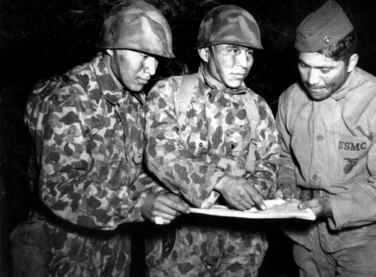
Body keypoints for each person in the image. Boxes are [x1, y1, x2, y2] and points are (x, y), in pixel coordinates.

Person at [16, 1, 189, 276]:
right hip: (62, 249)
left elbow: (130, 172)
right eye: (143, 55)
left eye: (156, 58)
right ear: (110, 47)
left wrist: (168, 193)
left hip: (114, 246)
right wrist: (139, 205)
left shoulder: (132, 101)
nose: (151, 69)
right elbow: (59, 187)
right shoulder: (68, 97)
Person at [275, 1, 376, 276]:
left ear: (351, 62)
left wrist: (330, 207)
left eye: (325, 70)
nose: (311, 80)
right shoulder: (291, 99)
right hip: (305, 237)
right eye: (304, 66)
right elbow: (282, 155)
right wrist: (285, 185)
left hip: (365, 237)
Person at [144, 4, 280, 277]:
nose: (244, 63)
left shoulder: (257, 107)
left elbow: (271, 163)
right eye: (233, 51)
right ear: (205, 52)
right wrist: (220, 182)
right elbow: (161, 152)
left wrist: (251, 194)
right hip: (178, 245)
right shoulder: (169, 93)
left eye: (249, 53)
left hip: (241, 247)